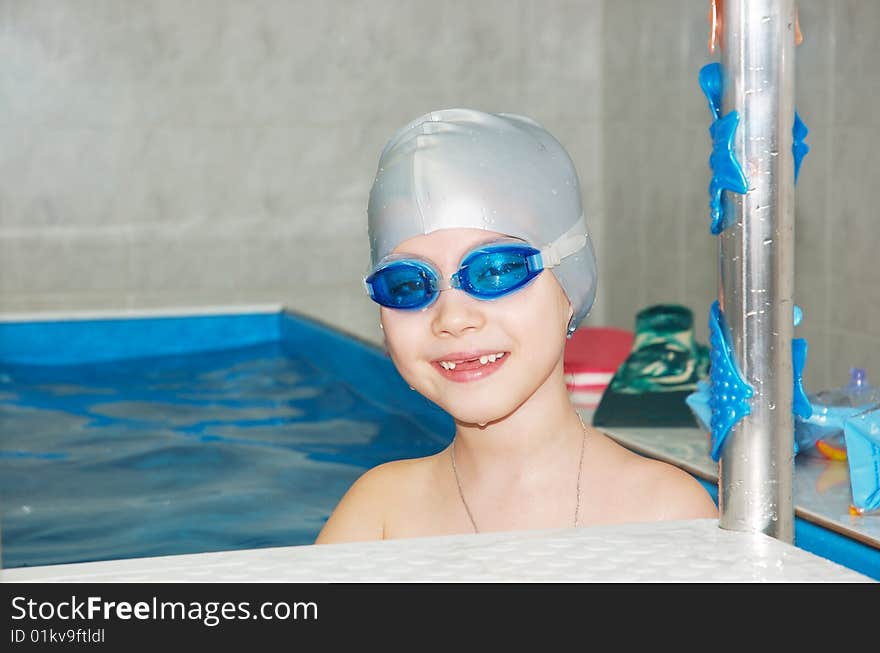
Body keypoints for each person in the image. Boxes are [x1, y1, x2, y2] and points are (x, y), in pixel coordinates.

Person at [315, 108, 717, 544]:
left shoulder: (664, 514)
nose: (453, 319)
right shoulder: (378, 514)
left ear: (571, 285)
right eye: (408, 284)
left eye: (496, 271)